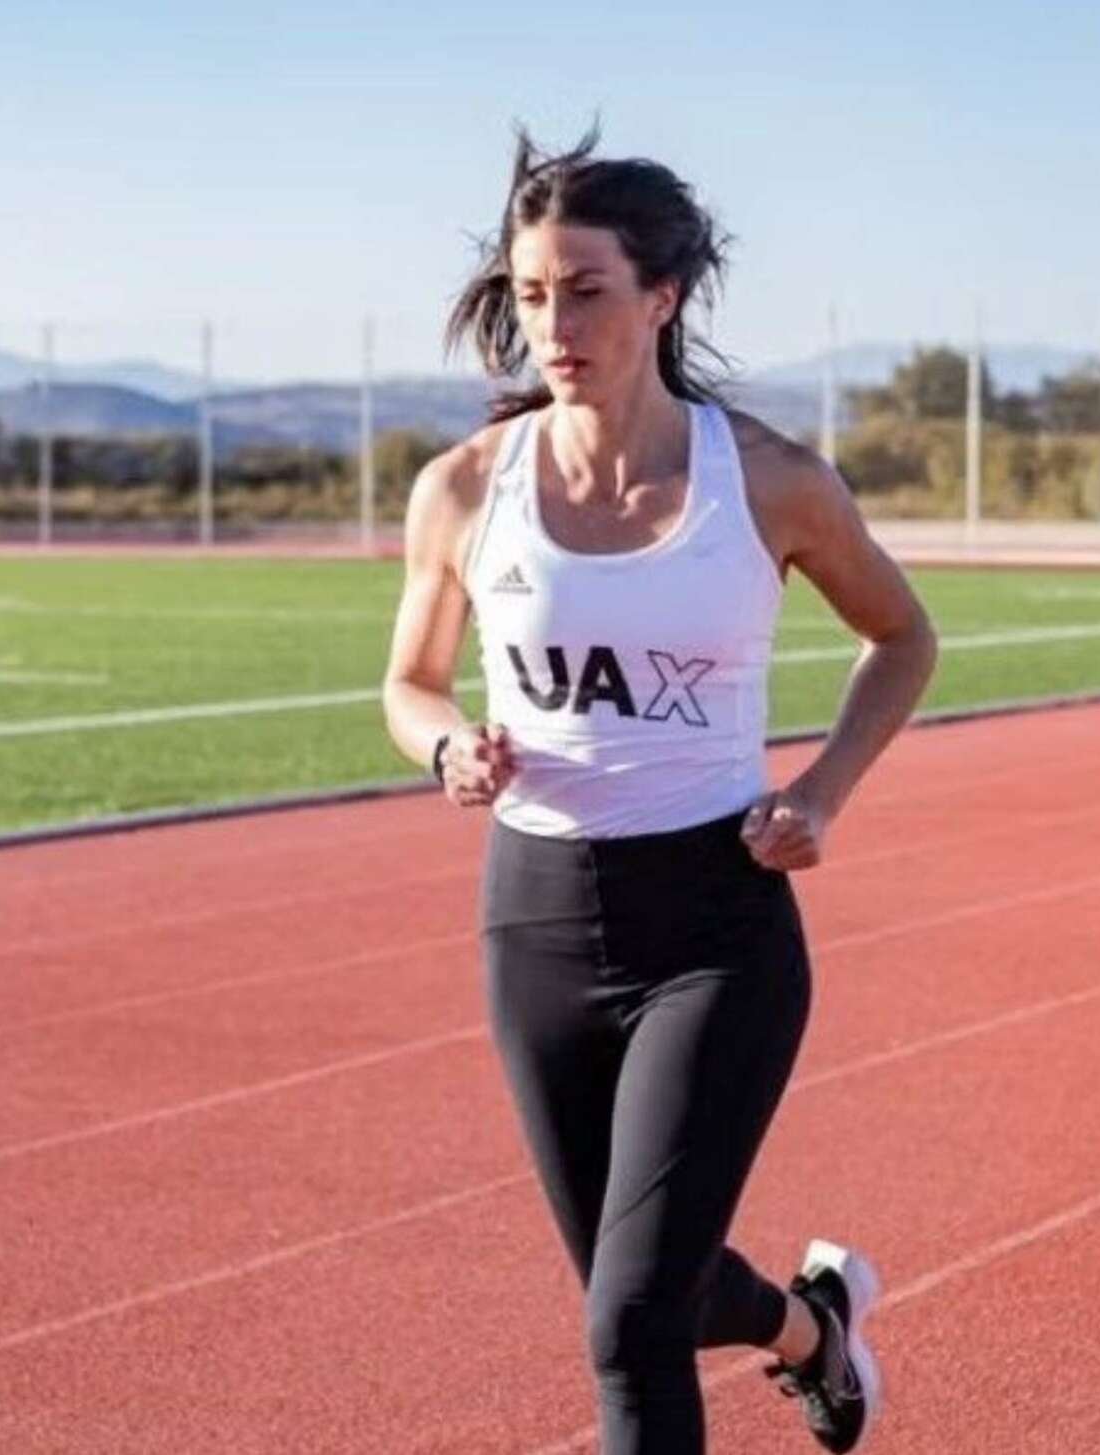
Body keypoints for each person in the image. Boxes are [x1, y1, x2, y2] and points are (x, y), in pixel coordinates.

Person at [380, 128, 941, 1454]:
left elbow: (904, 639)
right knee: (639, 1294)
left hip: (716, 925)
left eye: (586, 290)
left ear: (663, 295)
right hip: (535, 927)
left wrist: (823, 792)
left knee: (627, 1326)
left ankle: (808, 1332)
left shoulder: (771, 481)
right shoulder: (464, 489)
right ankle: (813, 1331)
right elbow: (407, 683)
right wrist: (449, 745)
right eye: (529, 294)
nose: (552, 324)